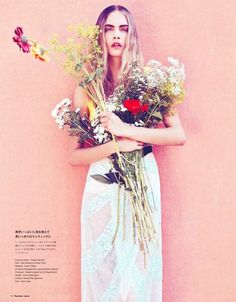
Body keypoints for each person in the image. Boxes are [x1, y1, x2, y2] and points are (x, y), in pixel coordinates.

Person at [68, 5, 186, 302]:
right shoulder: (88, 87)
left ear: (131, 35)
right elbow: (74, 157)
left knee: (138, 262)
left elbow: (177, 135)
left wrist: (127, 130)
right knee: (105, 265)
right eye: (110, 29)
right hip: (102, 183)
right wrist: (115, 146)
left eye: (123, 29)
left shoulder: (148, 79)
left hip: (141, 177)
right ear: (100, 35)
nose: (116, 36)